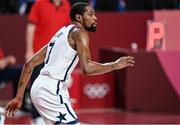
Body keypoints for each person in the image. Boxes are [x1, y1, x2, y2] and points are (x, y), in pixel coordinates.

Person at [5, 2, 135, 124]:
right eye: (90, 14)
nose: (95, 18)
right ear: (79, 17)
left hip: (40, 87)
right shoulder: (80, 33)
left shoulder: (61, 32)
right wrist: (114, 65)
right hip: (51, 89)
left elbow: (29, 63)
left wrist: (19, 97)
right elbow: (87, 68)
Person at [25, 0, 71, 122]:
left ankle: (56, 116)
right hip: (40, 54)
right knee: (37, 86)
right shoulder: (39, 4)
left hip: (59, 56)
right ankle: (37, 117)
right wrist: (29, 50)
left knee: (57, 86)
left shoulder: (66, 4)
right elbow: (31, 26)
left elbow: (68, 30)